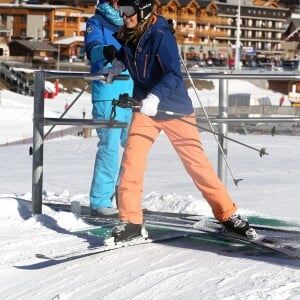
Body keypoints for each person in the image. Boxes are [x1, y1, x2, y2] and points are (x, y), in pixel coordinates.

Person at [105, 0, 253, 241]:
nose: (124, 16)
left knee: (197, 165)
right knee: (131, 163)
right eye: (120, 11)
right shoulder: (131, 33)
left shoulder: (161, 35)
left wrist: (155, 97)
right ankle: (130, 221)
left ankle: (228, 214)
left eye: (128, 11)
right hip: (145, 110)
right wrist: (118, 64)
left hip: (173, 108)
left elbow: (174, 73)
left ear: (142, 11)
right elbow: (130, 53)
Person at [84, 0, 133, 216]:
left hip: (133, 92)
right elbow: (91, 49)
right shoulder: (97, 22)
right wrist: (105, 51)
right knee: (110, 148)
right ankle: (101, 201)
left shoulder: (132, 22)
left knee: (134, 149)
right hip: (108, 94)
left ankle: (127, 198)